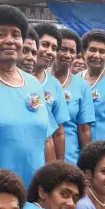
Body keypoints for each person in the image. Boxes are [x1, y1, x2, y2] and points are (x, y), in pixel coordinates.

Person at [0, 5, 56, 187]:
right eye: (1, 34)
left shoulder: (32, 84)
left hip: (35, 190)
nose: (10, 40)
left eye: (16, 35)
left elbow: (47, 140)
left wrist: (52, 184)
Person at [50, 29, 95, 163]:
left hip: (70, 158)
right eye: (63, 49)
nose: (68, 55)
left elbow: (84, 128)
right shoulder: (39, 80)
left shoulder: (82, 86)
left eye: (72, 51)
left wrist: (86, 163)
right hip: (39, 154)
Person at [32, 23, 71, 161]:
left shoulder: (54, 84)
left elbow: (59, 133)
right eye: (45, 44)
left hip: (44, 157)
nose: (50, 51)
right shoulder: (16, 78)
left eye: (54, 48)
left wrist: (59, 167)